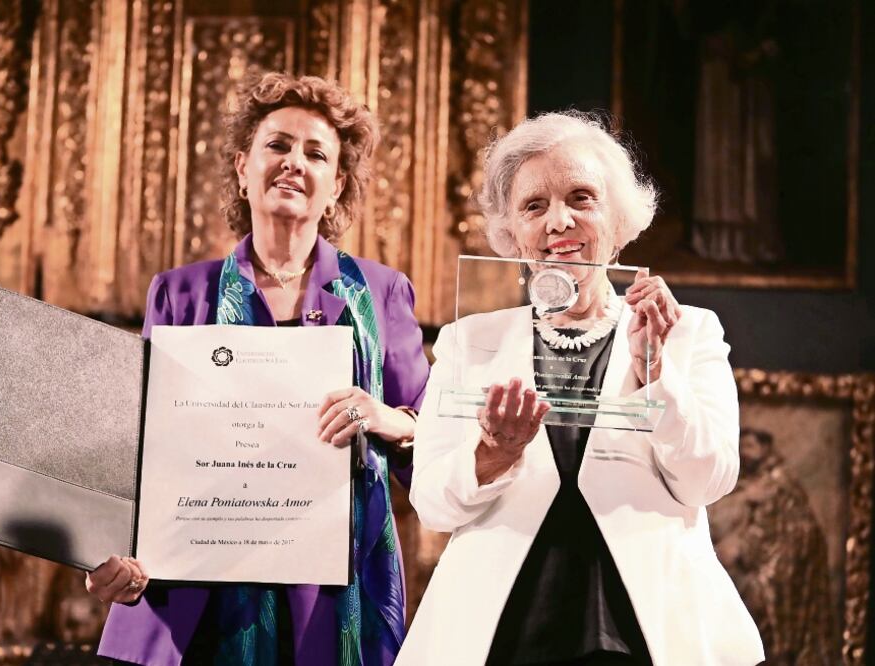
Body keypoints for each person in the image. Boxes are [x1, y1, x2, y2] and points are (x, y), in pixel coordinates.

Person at [397, 111, 764, 665]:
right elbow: (433, 506)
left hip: (647, 630)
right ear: (511, 234)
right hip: (504, 631)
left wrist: (655, 374)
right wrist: (494, 453)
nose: (557, 221)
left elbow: (707, 481)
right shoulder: (467, 341)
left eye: (581, 197)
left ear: (619, 222)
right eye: (534, 206)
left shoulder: (689, 332)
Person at [87, 72, 430, 666]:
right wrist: (105, 556)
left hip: (334, 591)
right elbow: (134, 455)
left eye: (316, 153)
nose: (294, 162)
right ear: (243, 168)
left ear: (336, 185)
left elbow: (434, 449)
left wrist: (384, 419)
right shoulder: (177, 294)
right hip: (201, 591)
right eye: (277, 145)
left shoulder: (382, 292)